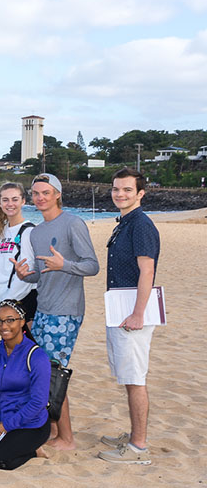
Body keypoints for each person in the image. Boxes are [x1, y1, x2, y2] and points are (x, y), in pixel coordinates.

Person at [14, 173, 99, 451]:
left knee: (53, 374)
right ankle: (51, 430)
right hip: (43, 309)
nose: (40, 198)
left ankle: (67, 438)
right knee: (40, 371)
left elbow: (92, 266)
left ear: (58, 194)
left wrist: (65, 265)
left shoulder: (73, 223)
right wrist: (25, 275)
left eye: (46, 193)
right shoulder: (37, 232)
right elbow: (42, 274)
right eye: (36, 193)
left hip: (66, 311)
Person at [98, 168, 160, 465]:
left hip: (133, 311)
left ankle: (139, 446)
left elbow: (147, 271)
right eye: (116, 189)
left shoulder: (141, 225)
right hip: (120, 307)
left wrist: (138, 313)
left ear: (140, 194)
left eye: (126, 190)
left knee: (136, 378)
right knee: (128, 376)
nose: (119, 194)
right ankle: (134, 434)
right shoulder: (125, 222)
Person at [0, 299, 51, 471]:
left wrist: (7, 425)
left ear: (22, 321)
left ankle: (33, 450)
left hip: (30, 424)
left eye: (10, 320)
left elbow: (38, 402)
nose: (4, 325)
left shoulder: (37, 356)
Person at [0, 183, 37, 325]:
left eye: (15, 199)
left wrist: (8, 301)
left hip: (22, 300)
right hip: (1, 300)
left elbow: (28, 272)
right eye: (5, 200)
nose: (10, 204)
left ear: (23, 201)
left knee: (24, 345)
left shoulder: (30, 231)